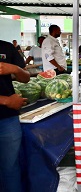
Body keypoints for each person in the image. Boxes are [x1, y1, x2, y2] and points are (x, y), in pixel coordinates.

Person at [0, 40, 30, 192]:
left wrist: (15, 69)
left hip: (7, 120)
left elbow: (26, 77)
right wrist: (5, 100)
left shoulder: (6, 47)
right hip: (8, 108)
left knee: (11, 169)